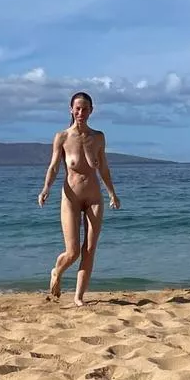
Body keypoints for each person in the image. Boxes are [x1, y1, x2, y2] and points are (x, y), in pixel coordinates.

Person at [38, 91, 121, 305]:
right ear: (71, 110)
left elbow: (103, 168)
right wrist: (46, 188)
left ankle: (78, 297)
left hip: (94, 198)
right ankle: (57, 272)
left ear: (91, 111)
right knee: (73, 252)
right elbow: (55, 166)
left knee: (90, 249)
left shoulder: (98, 137)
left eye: (85, 108)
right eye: (77, 108)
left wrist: (112, 193)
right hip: (71, 198)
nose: (81, 112)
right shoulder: (63, 137)